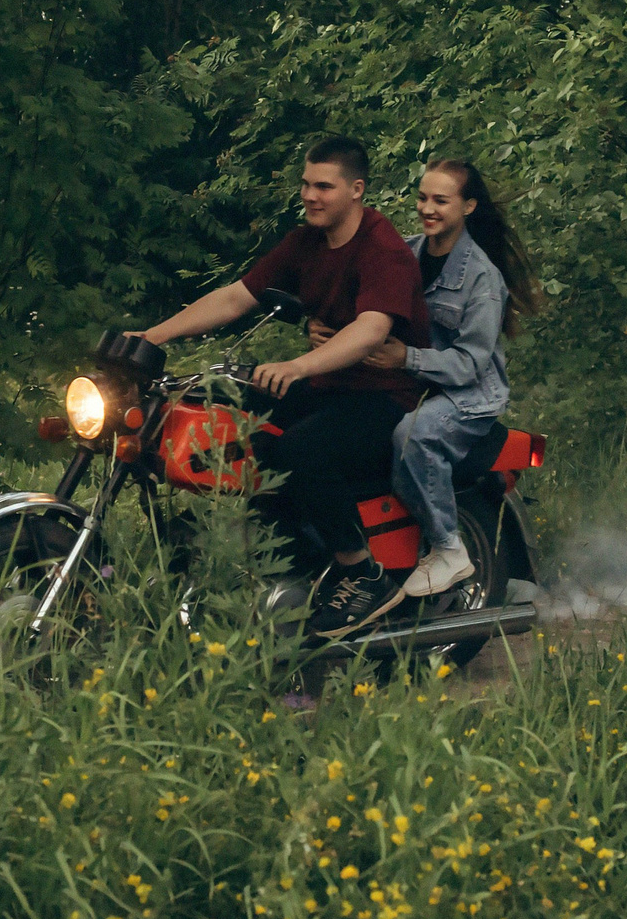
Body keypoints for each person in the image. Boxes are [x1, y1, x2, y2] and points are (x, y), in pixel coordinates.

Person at [136, 136, 431, 637]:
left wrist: (299, 365)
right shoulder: (305, 243)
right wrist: (152, 335)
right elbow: (236, 297)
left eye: (324, 186)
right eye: (305, 184)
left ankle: (361, 569)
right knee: (230, 424)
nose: (310, 195)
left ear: (356, 190)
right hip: (329, 387)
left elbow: (371, 329)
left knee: (301, 450)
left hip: (384, 397)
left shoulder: (385, 250)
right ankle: (287, 558)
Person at [350, 159, 540, 598]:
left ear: (469, 206)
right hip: (415, 384)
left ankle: (449, 547)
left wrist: (406, 359)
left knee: (413, 435)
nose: (427, 207)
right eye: (422, 197)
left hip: (468, 395)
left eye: (441, 200)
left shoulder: (482, 278)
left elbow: (470, 364)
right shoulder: (406, 253)